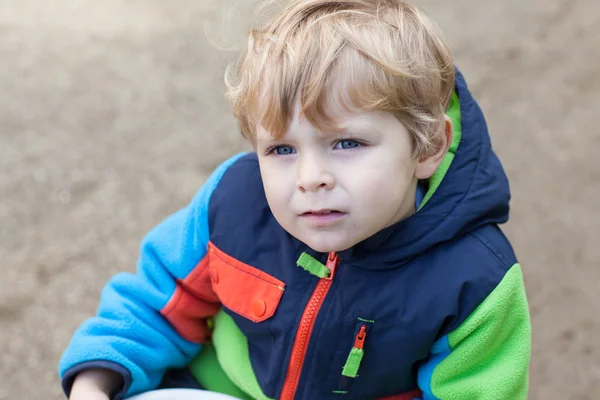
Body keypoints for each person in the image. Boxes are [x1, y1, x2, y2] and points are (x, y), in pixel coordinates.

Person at [59, 0, 531, 399]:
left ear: (426, 146)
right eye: (281, 149)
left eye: (346, 143)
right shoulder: (234, 203)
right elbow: (154, 303)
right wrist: (94, 383)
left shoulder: (476, 281)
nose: (310, 179)